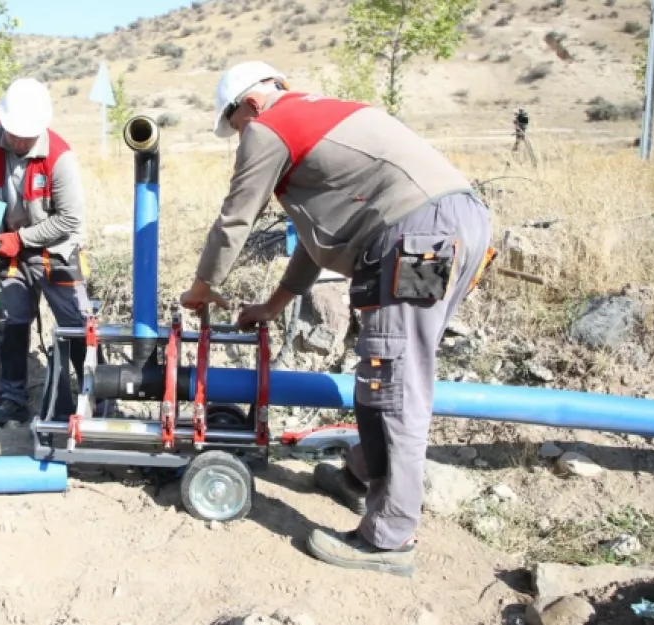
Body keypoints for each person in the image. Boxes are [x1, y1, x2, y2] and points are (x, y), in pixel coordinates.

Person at [179, 61, 495, 576]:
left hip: (418, 240)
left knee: (396, 383)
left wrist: (202, 288)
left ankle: (389, 541)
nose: (240, 138)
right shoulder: (318, 121)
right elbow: (317, 239)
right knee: (383, 370)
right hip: (441, 231)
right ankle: (359, 476)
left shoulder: (269, 127)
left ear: (251, 104)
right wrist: (275, 305)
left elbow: (235, 218)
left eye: (234, 125)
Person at [0, 77, 111, 426]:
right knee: (12, 322)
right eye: (13, 132)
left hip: (56, 252)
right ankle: (13, 401)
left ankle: (100, 406)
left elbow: (70, 219)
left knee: (76, 325)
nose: (17, 140)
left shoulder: (59, 157)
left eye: (26, 134)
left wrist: (22, 238)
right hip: (11, 251)